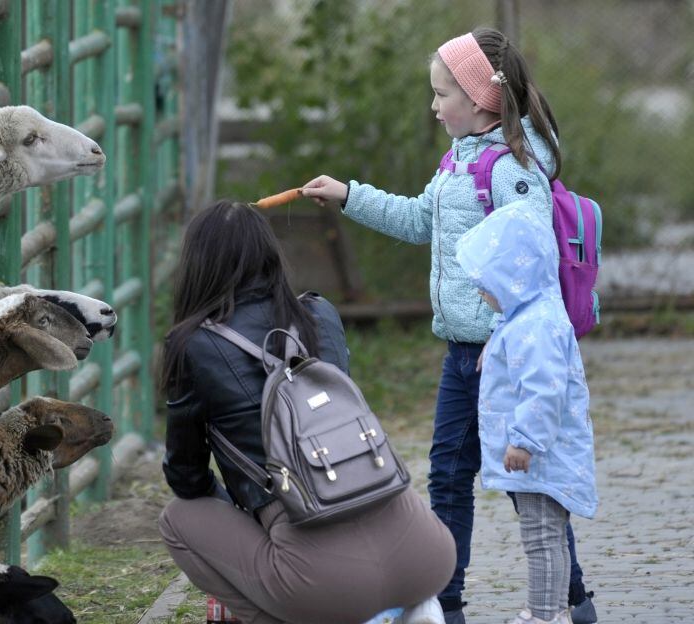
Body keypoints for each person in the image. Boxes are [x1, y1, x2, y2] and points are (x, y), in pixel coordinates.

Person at [300, 28, 597, 624]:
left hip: (501, 356)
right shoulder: (460, 156)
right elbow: (418, 221)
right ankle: (448, 603)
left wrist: (503, 336)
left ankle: (570, 602)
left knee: (530, 487)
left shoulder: (513, 167)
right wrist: (349, 195)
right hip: (462, 354)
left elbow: (532, 259)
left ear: (480, 98)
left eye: (441, 95)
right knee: (449, 477)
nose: (434, 107)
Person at [157, 200, 455, 624]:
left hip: (322, 582)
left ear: (197, 266)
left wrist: (247, 508)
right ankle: (408, 609)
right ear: (270, 253)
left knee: (178, 519)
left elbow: (186, 478)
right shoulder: (318, 312)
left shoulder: (193, 345)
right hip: (425, 555)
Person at [454, 202, 597, 624]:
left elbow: (543, 391)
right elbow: (516, 354)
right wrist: (492, 350)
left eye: (487, 283)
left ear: (515, 278)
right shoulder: (527, 315)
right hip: (539, 456)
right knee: (542, 536)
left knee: (543, 538)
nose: (482, 292)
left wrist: (524, 442)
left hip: (541, 455)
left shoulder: (537, 327)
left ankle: (545, 613)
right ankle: (546, 609)